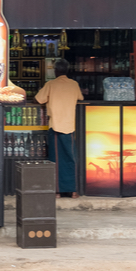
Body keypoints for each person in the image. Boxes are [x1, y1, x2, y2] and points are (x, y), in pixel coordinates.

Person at [35, 60, 85, 198]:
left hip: (56, 125)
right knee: (70, 158)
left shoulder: (50, 84)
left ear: (55, 71)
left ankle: (57, 191)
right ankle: (73, 191)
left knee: (55, 159)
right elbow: (81, 97)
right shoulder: (74, 84)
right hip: (69, 125)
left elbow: (38, 99)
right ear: (67, 71)